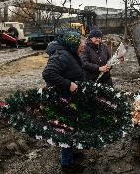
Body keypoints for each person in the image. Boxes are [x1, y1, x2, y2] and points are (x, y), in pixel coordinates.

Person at [42, 31, 84, 173]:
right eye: (80, 42)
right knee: (66, 129)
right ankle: (67, 164)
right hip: (64, 98)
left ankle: (73, 152)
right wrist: (68, 84)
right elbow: (48, 73)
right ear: (72, 43)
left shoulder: (69, 53)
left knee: (73, 126)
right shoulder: (62, 55)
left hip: (70, 98)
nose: (83, 45)